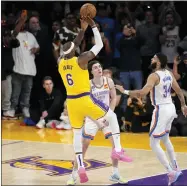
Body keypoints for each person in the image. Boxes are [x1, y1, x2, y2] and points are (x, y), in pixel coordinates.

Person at [58, 17, 130, 183]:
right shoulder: (81, 61)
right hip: (86, 102)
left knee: (76, 136)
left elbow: (71, 46)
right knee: (111, 117)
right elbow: (98, 45)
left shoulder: (61, 62)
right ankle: (117, 150)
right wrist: (93, 26)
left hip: (72, 102)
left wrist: (82, 31)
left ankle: (86, 167)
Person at [115, 53, 187, 186]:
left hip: (161, 110)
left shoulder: (154, 76)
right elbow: (178, 91)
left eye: (154, 58)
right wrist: (183, 105)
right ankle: (176, 167)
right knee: (165, 139)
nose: (152, 59)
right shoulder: (169, 73)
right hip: (170, 108)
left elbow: (141, 93)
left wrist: (124, 91)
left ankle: (170, 171)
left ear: (158, 62)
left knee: (154, 143)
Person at [67, 61, 131, 185]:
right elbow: (86, 106)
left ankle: (115, 173)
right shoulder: (87, 85)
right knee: (83, 147)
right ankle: (73, 175)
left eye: (100, 66)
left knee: (115, 146)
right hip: (92, 118)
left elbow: (113, 100)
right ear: (91, 71)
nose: (99, 69)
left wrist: (108, 115)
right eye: (95, 67)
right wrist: (97, 121)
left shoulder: (109, 81)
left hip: (106, 116)